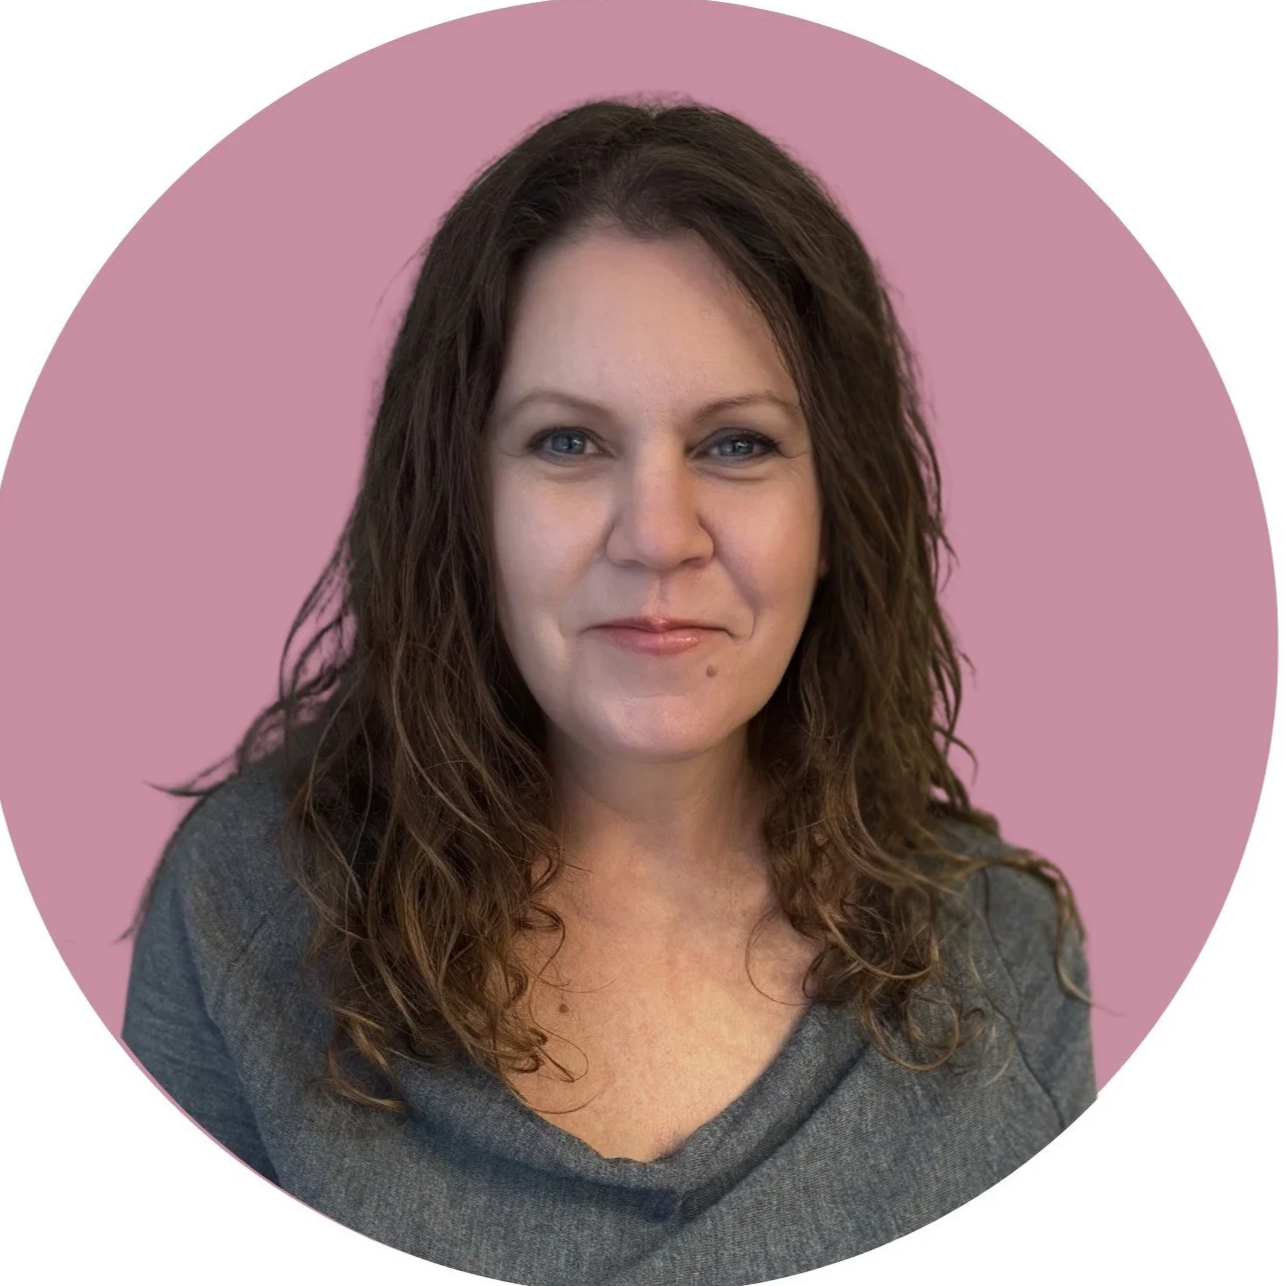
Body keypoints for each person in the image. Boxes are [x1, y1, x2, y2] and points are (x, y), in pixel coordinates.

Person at [122, 96, 1093, 1286]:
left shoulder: (1005, 958)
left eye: (736, 443)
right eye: (568, 442)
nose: (657, 535)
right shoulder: (241, 909)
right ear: (462, 503)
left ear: (836, 508)